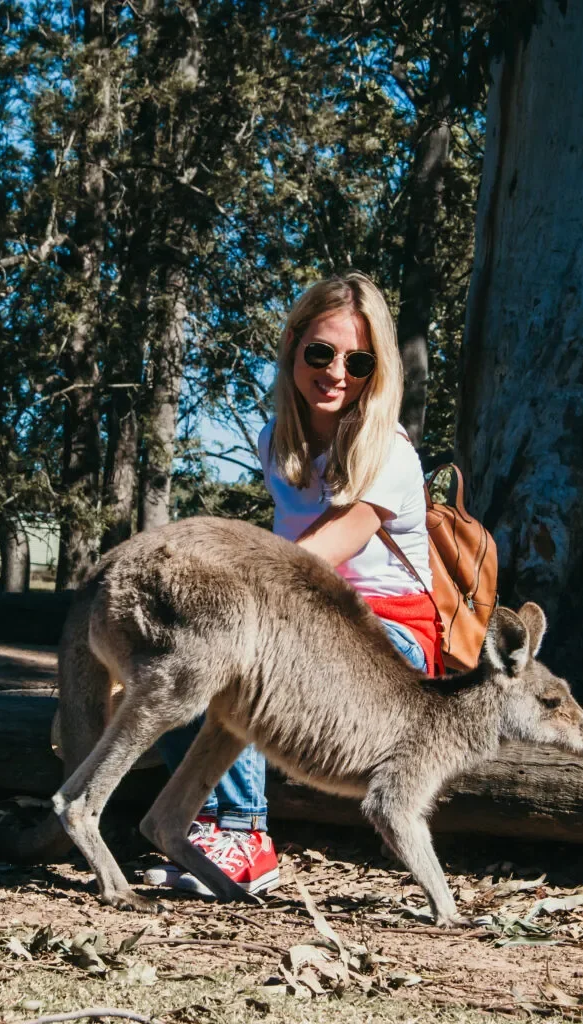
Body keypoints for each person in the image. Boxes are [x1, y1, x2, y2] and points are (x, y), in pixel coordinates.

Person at [144, 271, 440, 897]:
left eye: (358, 361)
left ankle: (245, 835)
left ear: (376, 371)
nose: (336, 372)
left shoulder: (389, 452)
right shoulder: (275, 443)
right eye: (320, 352)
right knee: (179, 648)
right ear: (293, 348)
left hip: (391, 640)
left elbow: (312, 560)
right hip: (305, 619)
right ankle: (199, 822)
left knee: (247, 651)